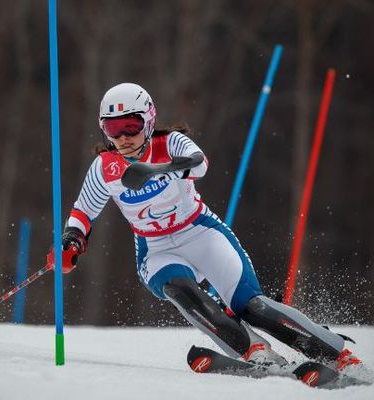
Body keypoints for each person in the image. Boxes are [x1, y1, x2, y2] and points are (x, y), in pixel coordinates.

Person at [49, 82, 365, 373]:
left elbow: (198, 162)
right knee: (183, 290)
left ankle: (339, 356)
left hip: (201, 232)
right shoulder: (105, 168)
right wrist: (70, 243)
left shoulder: (170, 142)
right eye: (112, 129)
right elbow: (82, 212)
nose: (122, 138)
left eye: (130, 126)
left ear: (148, 120)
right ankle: (257, 353)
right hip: (155, 250)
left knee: (250, 306)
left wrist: (156, 169)